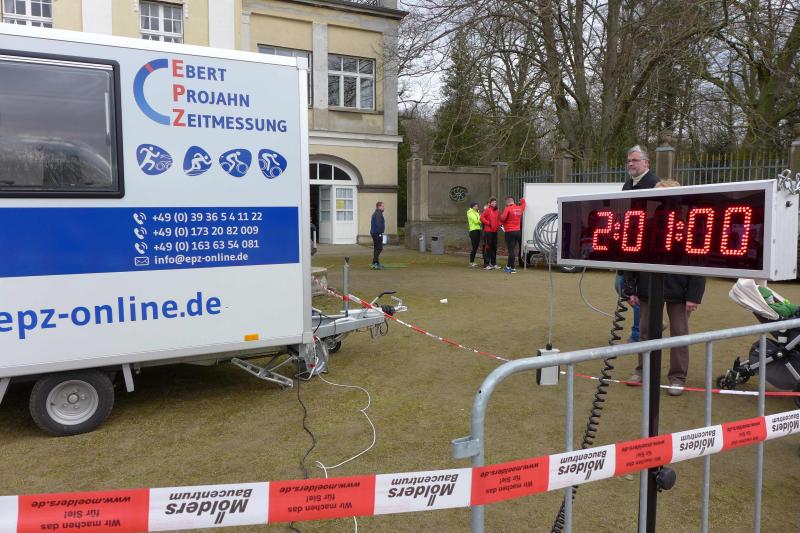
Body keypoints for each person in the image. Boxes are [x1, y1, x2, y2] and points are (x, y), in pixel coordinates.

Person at [624, 180, 706, 396]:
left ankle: (677, 377)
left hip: (680, 291)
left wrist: (694, 295)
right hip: (648, 287)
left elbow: (698, 261)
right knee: (645, 332)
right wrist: (630, 288)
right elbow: (632, 256)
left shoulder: (688, 227)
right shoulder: (647, 226)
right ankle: (643, 370)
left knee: (679, 334)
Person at [616, 145, 660, 341]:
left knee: (639, 291)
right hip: (629, 243)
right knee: (621, 284)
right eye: (628, 161)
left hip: (647, 247)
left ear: (646, 162)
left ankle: (638, 332)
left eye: (634, 160)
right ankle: (650, 322)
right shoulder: (627, 185)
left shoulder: (655, 183)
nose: (630, 164)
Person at [499, 195, 526, 273]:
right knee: (513, 250)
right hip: (518, 231)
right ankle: (510, 267)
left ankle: (512, 268)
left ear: (507, 202)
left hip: (509, 232)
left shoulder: (507, 208)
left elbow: (503, 218)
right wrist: (522, 200)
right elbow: (524, 204)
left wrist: (501, 218)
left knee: (511, 250)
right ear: (513, 201)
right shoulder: (519, 208)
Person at [480, 197, 501, 270]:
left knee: (494, 247)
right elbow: (481, 218)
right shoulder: (487, 210)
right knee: (488, 247)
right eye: (493, 202)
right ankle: (486, 264)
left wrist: (499, 224)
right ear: (490, 203)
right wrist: (488, 223)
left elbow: (498, 220)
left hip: (495, 231)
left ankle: (493, 263)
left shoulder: (497, 211)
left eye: (495, 202)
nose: (494, 203)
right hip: (488, 231)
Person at [370, 201, 385, 270]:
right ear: (379, 207)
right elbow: (379, 224)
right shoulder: (378, 214)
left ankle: (376, 263)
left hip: (375, 233)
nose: (383, 207)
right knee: (379, 248)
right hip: (376, 233)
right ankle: (374, 263)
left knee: (376, 248)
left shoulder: (378, 213)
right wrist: (380, 233)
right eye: (382, 206)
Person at [467, 202, 482, 267]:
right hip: (473, 231)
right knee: (474, 247)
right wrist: (481, 219)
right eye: (475, 206)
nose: (477, 207)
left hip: (478, 230)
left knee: (476, 247)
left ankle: (472, 261)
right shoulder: (470, 213)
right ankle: (471, 262)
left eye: (477, 206)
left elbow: (478, 220)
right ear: (472, 207)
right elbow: (476, 221)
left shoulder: (477, 212)